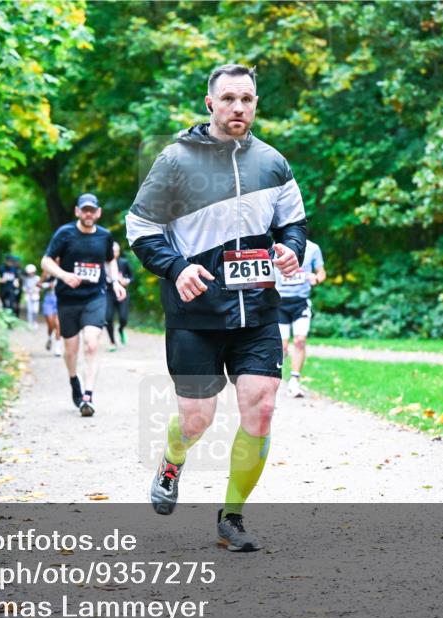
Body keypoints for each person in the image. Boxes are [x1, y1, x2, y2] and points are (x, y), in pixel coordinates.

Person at [126, 64, 306, 551]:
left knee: (262, 408)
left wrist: (291, 247)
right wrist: (177, 267)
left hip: (259, 312)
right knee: (197, 419)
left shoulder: (274, 162)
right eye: (228, 99)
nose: (238, 108)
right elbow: (140, 229)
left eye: (246, 99)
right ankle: (171, 460)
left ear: (255, 105)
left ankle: (232, 516)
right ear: (210, 103)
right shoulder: (175, 161)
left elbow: (294, 224)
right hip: (197, 313)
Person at [41, 193, 127, 417]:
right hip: (68, 298)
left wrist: (116, 282)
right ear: (78, 212)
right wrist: (63, 275)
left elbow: (110, 261)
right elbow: (46, 261)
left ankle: (87, 396)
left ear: (98, 212)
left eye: (92, 210)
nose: (88, 213)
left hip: (94, 297)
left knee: (91, 344)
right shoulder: (65, 233)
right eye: (84, 210)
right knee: (71, 350)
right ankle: (74, 381)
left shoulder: (105, 236)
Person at [276, 239, 325, 397]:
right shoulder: (274, 247)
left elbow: (321, 273)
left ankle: (294, 381)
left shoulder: (313, 248)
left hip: (301, 302)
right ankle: (275, 376)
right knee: (282, 346)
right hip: (279, 302)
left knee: (300, 341)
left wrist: (316, 278)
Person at [105, 241, 133, 350]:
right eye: (112, 251)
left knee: (123, 317)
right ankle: (112, 342)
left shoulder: (124, 262)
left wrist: (126, 281)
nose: (114, 253)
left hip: (122, 292)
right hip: (108, 293)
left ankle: (121, 329)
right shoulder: (104, 263)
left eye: (116, 251)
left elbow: (131, 276)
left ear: (119, 251)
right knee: (108, 318)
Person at [40, 270, 63, 356]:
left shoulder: (65, 268)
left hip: (60, 299)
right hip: (49, 299)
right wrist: (47, 285)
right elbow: (39, 285)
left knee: (58, 324)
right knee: (50, 325)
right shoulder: (47, 271)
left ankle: (58, 348)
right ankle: (49, 337)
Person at [22, 263, 41, 330]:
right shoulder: (26, 279)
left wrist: (36, 290)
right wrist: (27, 291)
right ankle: (30, 323)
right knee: (29, 310)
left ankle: (35, 322)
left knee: (35, 310)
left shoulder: (38, 278)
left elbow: (40, 287)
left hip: (35, 296)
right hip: (28, 296)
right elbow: (24, 287)